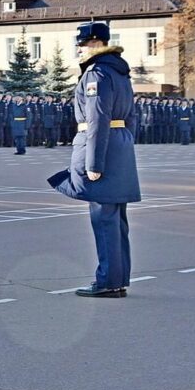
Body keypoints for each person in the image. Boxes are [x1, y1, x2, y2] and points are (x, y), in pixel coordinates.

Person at [48, 22, 141, 298]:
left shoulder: (97, 73)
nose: (80, 49)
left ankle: (108, 282)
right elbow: (130, 117)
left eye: (84, 43)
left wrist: (94, 164)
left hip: (102, 149)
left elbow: (97, 118)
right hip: (119, 146)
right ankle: (117, 279)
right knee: (116, 220)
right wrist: (123, 144)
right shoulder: (120, 72)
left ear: (98, 43)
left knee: (104, 220)